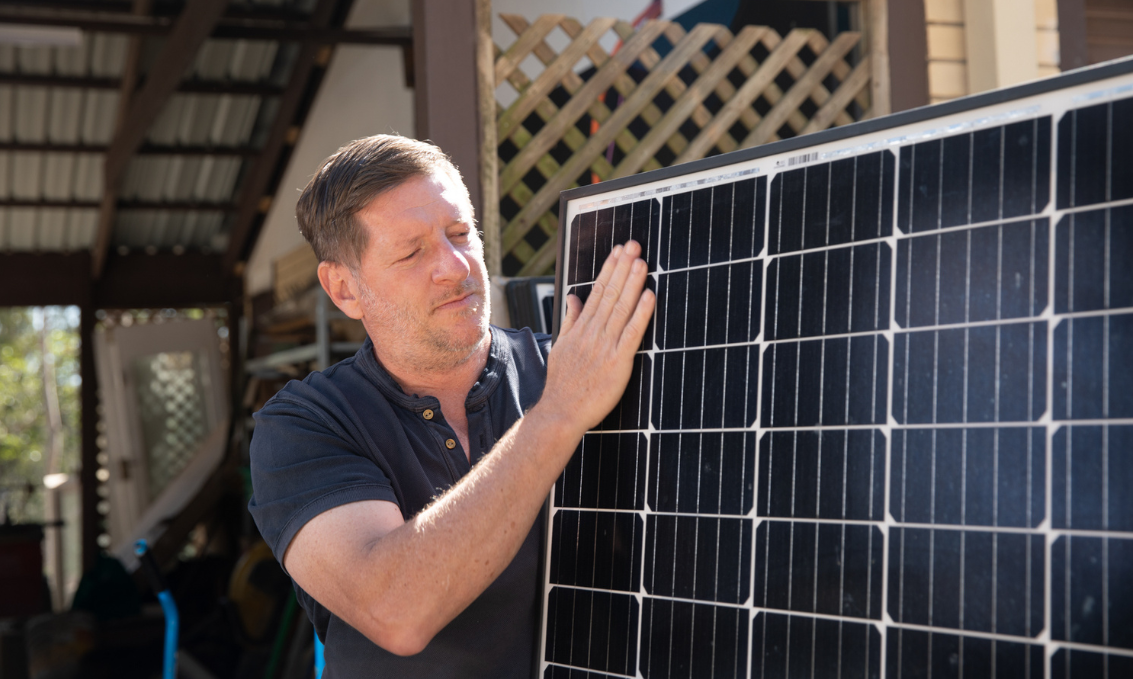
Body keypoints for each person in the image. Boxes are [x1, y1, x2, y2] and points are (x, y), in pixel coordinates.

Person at [247, 134, 654, 678]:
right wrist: (558, 415)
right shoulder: (305, 425)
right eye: (412, 252)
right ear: (343, 288)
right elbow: (396, 611)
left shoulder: (579, 368)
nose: (455, 266)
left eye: (461, 233)